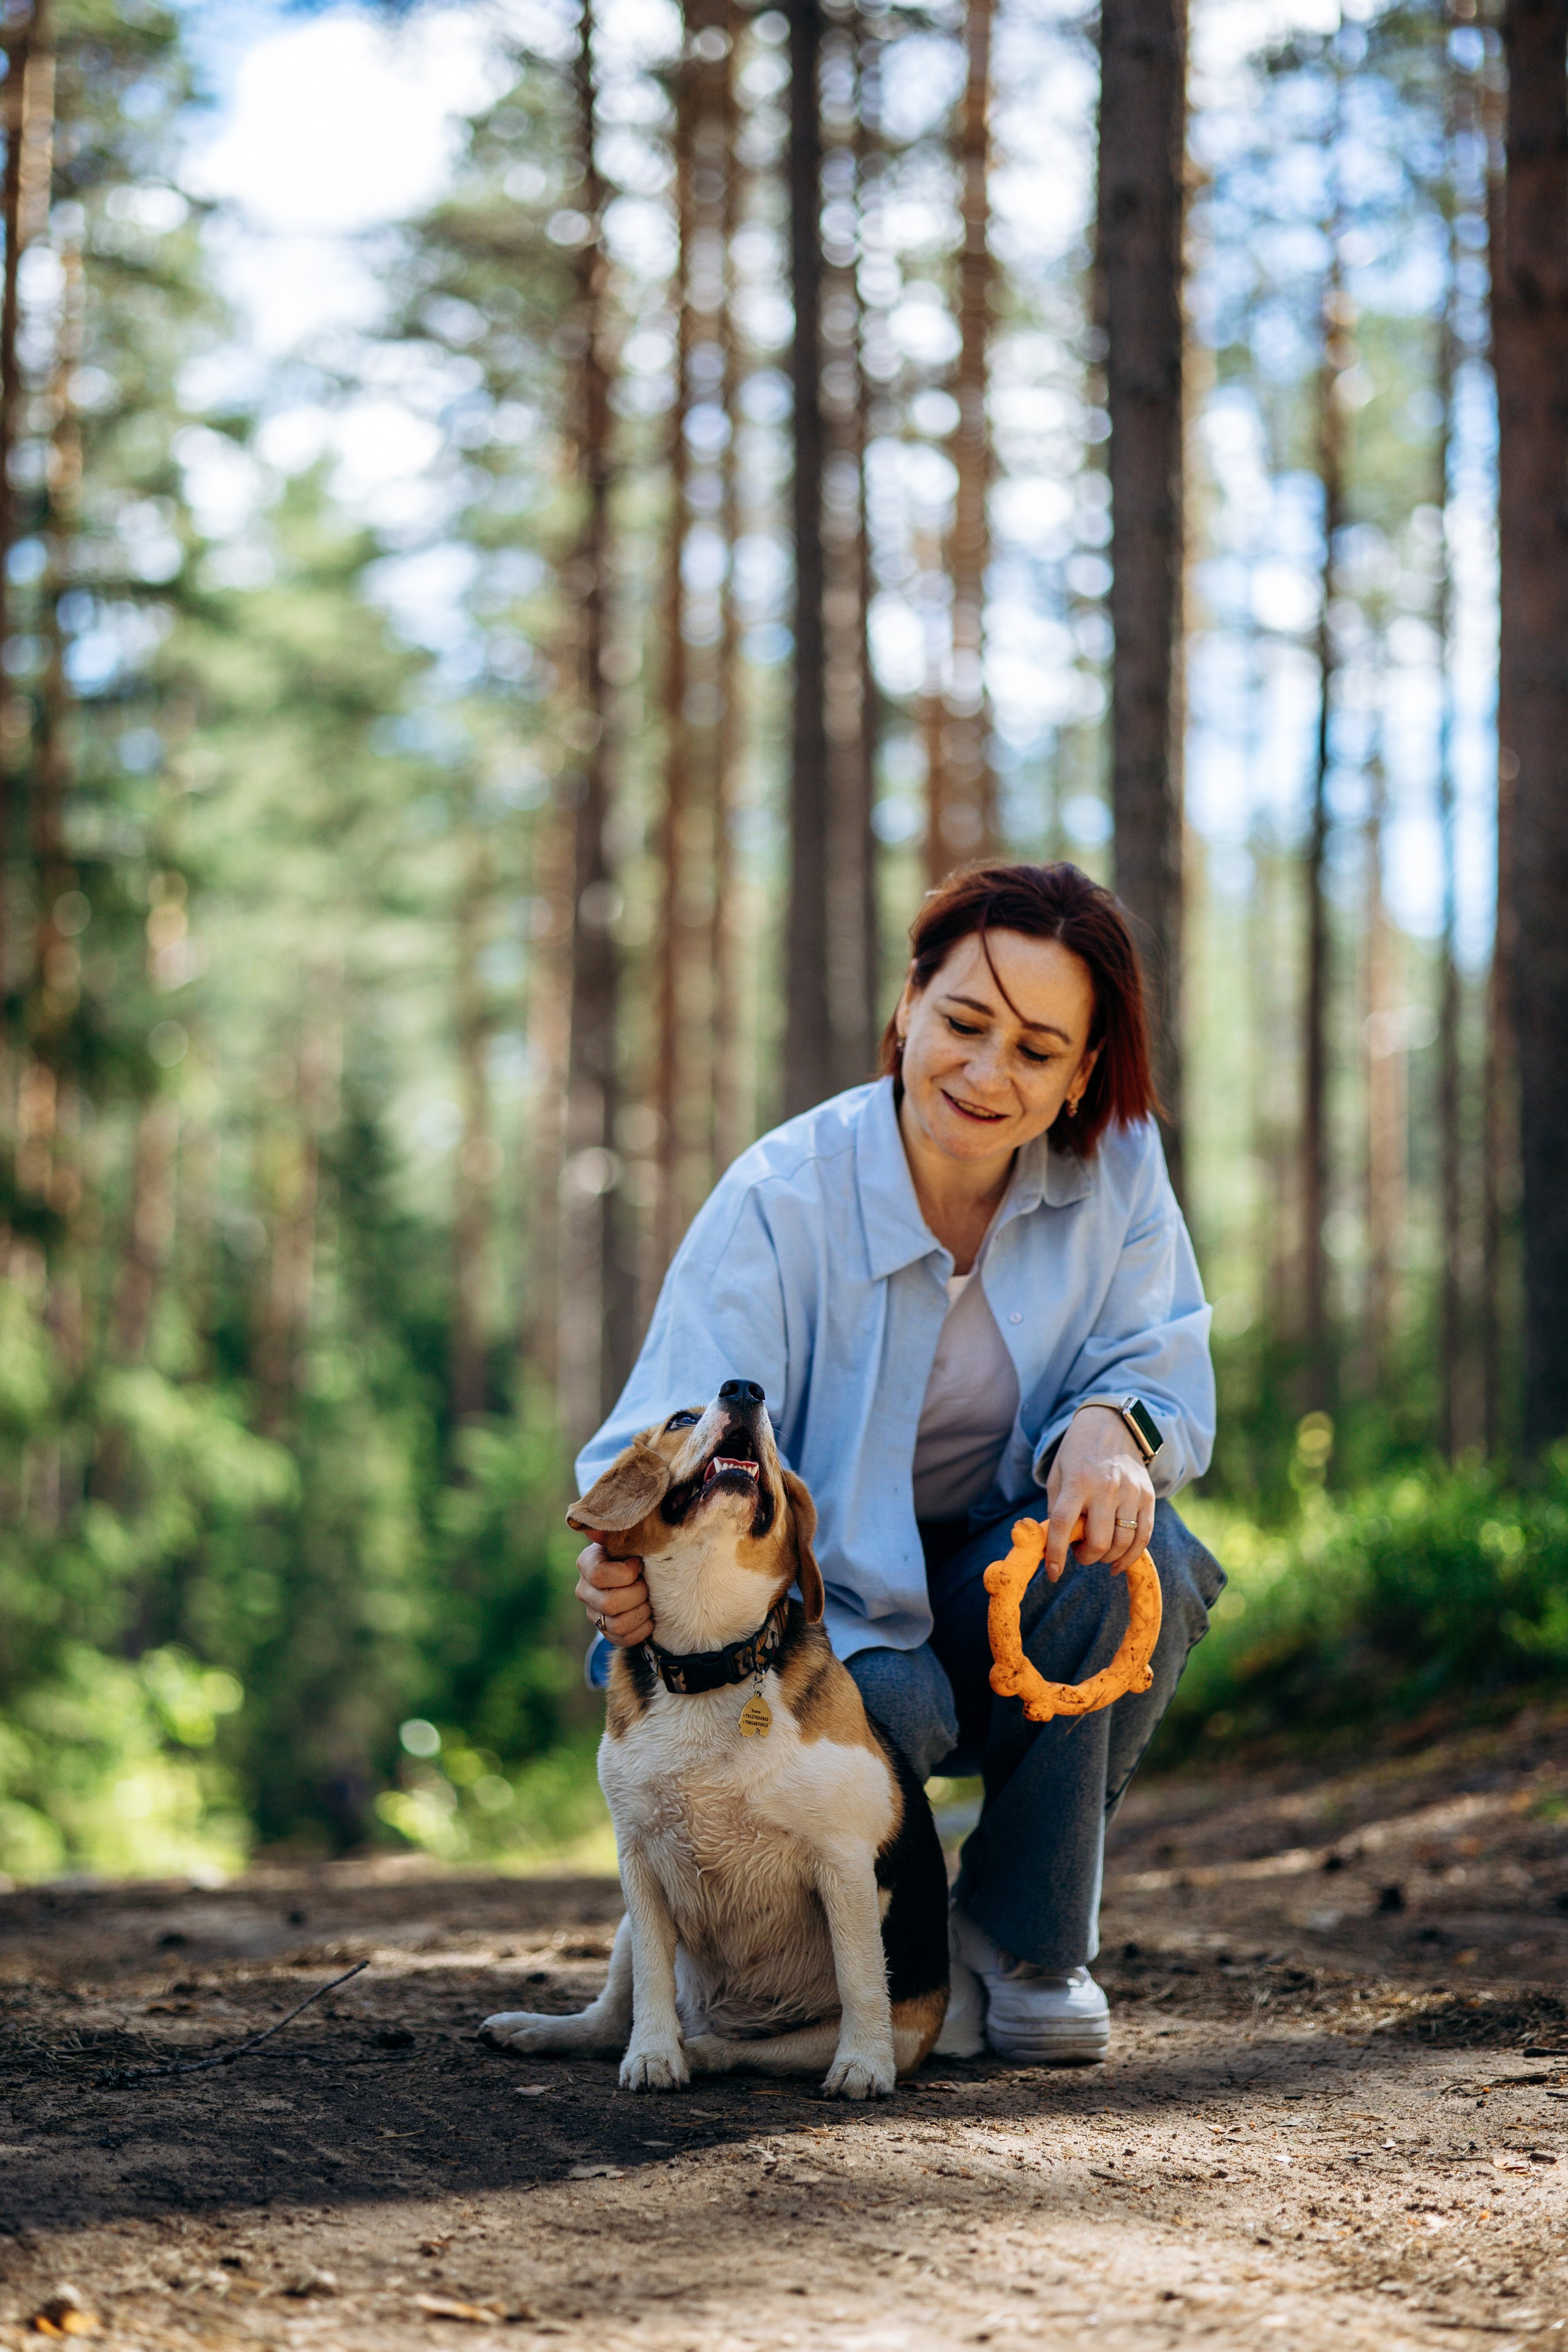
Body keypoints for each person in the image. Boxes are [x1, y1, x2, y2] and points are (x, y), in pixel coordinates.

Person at [573, 861, 1223, 2065]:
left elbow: (1159, 1364)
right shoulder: (779, 1198)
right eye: (964, 1025)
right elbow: (663, 1430)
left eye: (1036, 1050)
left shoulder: (1118, 1171)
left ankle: (1019, 1936)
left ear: (1081, 1072)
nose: (987, 1076)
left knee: (1153, 1562)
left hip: (1011, 1581)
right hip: (824, 1622)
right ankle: (860, 1952)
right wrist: (623, 1573)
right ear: (908, 1007)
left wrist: (1115, 1426)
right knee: (894, 1704)